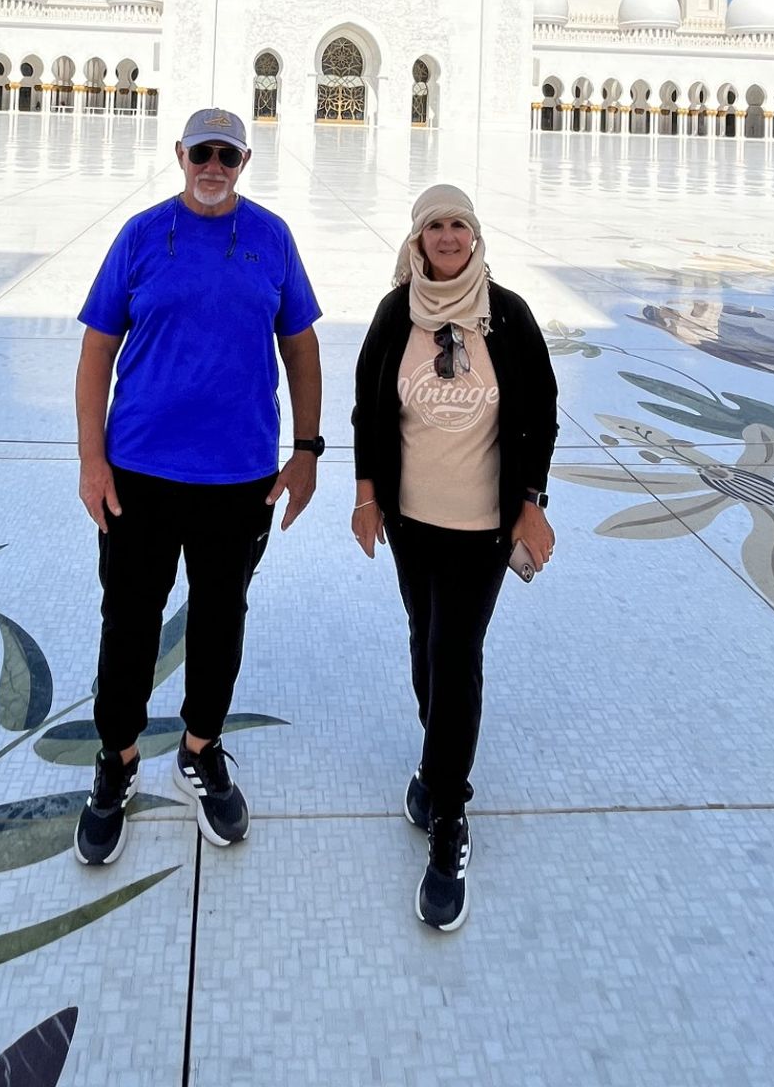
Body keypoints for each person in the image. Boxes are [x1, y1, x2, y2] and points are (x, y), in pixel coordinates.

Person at [74, 107, 323, 865]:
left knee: (220, 619)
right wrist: (92, 460)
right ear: (180, 155)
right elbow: (95, 354)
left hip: (239, 477)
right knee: (129, 624)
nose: (214, 167)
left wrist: (307, 451)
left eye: (229, 155)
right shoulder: (143, 236)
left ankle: (199, 748)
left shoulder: (272, 239)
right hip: (140, 473)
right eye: (202, 153)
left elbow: (303, 349)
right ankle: (115, 763)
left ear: (244, 161)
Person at [351, 184, 557, 931]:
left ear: (475, 236)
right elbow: (368, 407)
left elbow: (540, 410)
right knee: (423, 642)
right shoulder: (394, 311)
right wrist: (366, 494)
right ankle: (436, 768)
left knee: (454, 648)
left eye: (458, 225)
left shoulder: (508, 314)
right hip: (411, 520)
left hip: (483, 524)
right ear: (416, 238)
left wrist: (531, 498)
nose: (446, 237)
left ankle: (449, 814)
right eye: (434, 226)